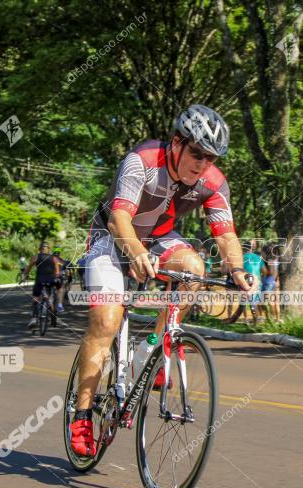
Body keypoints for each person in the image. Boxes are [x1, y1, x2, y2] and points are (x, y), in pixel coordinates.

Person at [70, 104, 253, 457]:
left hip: (158, 237)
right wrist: (135, 252)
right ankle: (81, 415)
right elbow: (120, 217)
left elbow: (226, 235)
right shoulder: (142, 160)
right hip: (111, 236)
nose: (202, 164)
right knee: (106, 321)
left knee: (193, 268)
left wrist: (237, 271)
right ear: (176, 143)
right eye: (197, 153)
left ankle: (154, 344)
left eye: (211, 158)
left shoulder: (213, 182)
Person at [23, 242, 64, 327]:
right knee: (50, 297)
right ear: (49, 250)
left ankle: (34, 319)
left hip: (39, 280)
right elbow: (57, 272)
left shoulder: (36, 257)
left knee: (36, 298)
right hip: (51, 280)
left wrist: (25, 275)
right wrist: (56, 277)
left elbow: (29, 267)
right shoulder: (54, 258)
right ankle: (53, 311)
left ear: (39, 249)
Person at [241, 240, 264, 325]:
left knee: (244, 302)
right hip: (257, 283)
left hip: (245, 283)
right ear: (250, 248)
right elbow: (264, 271)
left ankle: (246, 319)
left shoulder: (241, 258)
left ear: (243, 249)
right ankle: (256, 322)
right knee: (254, 303)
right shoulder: (258, 258)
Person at [261, 243, 281, 322]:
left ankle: (271, 318)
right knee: (276, 302)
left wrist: (264, 273)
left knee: (269, 301)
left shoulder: (270, 260)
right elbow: (277, 272)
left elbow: (272, 272)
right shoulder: (277, 260)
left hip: (269, 282)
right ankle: (277, 318)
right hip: (276, 282)